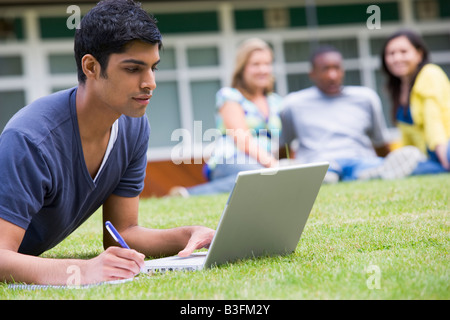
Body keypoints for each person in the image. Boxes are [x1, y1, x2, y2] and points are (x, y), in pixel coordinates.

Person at [0, 0, 214, 286]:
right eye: (133, 69)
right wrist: (82, 270)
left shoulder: (134, 126)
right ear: (90, 66)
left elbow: (123, 232)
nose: (150, 82)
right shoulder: (30, 140)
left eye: (153, 68)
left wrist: (187, 235)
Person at [279, 45, 424, 182]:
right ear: (312, 74)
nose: (332, 75)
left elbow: (380, 143)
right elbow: (283, 146)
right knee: (320, 169)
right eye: (325, 69)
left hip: (359, 160)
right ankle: (320, 177)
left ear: (343, 70)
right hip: (318, 162)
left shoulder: (365, 97)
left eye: (337, 68)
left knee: (369, 166)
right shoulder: (293, 103)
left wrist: (389, 160)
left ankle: (379, 171)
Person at [171, 38, 282, 196]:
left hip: (263, 164)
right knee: (259, 177)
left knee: (260, 179)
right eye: (256, 64)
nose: (263, 69)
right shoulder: (229, 96)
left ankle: (186, 194)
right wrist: (273, 165)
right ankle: (190, 195)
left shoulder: (275, 101)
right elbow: (242, 140)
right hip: (230, 158)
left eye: (267, 63)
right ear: (242, 68)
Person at [381, 29, 450, 174]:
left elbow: (434, 121)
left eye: (403, 52)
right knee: (407, 170)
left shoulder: (429, 73)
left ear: (419, 54)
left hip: (444, 146)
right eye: (391, 54)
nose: (397, 58)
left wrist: (445, 158)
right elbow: (408, 142)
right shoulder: (398, 89)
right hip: (428, 158)